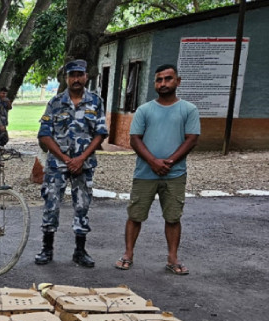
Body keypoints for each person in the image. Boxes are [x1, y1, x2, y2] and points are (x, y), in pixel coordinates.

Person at [115, 64, 200, 275]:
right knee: (135, 214)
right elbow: (135, 139)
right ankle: (128, 254)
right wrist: (153, 162)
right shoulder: (145, 110)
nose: (163, 84)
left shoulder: (188, 110)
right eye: (159, 80)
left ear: (177, 81)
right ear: (155, 83)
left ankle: (172, 258)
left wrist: (169, 161)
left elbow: (191, 139)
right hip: (145, 173)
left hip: (175, 174)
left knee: (173, 217)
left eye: (168, 79)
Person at [35, 59, 108, 268]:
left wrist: (80, 158)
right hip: (57, 165)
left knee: (82, 205)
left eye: (79, 75)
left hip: (83, 165)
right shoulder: (55, 103)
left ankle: (80, 250)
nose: (76, 79)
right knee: (51, 203)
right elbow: (45, 134)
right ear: (66, 78)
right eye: (72, 75)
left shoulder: (95, 101)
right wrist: (66, 159)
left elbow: (100, 133)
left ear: (86, 77)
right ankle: (47, 249)